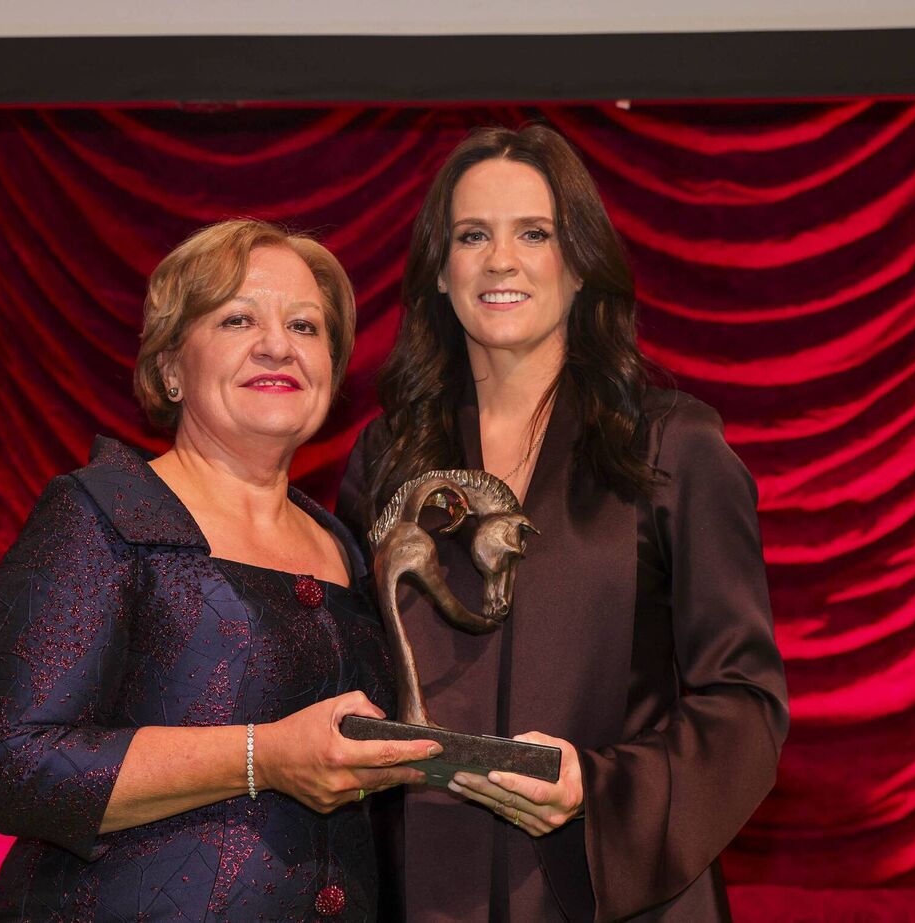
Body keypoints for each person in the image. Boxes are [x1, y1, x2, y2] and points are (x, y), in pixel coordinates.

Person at [337, 126, 790, 922]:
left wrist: (597, 788)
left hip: (622, 892)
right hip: (428, 893)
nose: (500, 260)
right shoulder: (387, 457)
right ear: (440, 271)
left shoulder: (672, 446)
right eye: (472, 235)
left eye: (534, 234)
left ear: (579, 263)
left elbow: (745, 703)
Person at [0, 219, 440, 922]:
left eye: (306, 326)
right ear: (169, 368)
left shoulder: (342, 541)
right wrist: (264, 754)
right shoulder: (102, 511)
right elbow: (16, 764)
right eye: (238, 317)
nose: (278, 343)